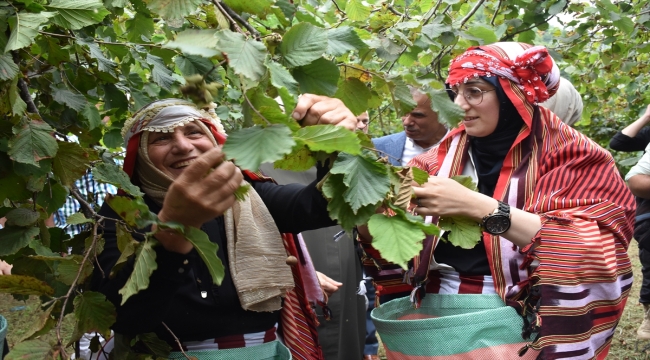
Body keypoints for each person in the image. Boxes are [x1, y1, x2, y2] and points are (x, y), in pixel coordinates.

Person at [361, 42, 635, 359]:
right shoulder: (437, 160)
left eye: (475, 91)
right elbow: (386, 242)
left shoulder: (572, 158)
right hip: (436, 324)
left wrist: (478, 206)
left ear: (513, 94)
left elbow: (592, 249)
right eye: (455, 92)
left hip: (525, 325)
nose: (459, 105)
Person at [90, 96, 357, 358]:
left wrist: (335, 143)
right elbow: (123, 315)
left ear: (216, 141)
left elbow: (321, 207)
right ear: (141, 157)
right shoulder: (121, 214)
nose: (183, 146)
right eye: (161, 137)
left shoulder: (249, 194)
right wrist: (174, 230)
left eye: (194, 132)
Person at [372, 88, 448, 166]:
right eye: (404, 113)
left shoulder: (458, 148)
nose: (406, 122)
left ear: (442, 115)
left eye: (418, 115)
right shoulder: (377, 147)